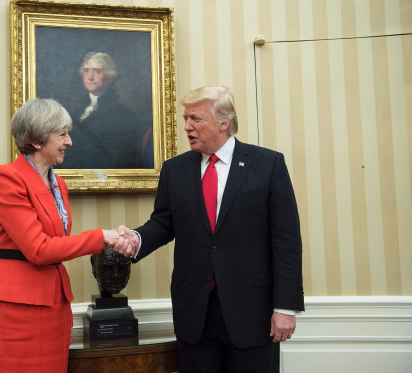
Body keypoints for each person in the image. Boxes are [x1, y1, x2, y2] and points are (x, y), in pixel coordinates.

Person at [115, 86, 304, 372]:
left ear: (224, 122)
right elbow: (164, 223)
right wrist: (137, 239)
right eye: (185, 119)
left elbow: (286, 241)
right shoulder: (174, 170)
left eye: (196, 119)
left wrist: (285, 308)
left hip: (252, 312)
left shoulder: (268, 165)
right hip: (195, 312)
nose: (187, 126)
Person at [0, 98, 131, 372]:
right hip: (16, 310)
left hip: (53, 306)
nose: (69, 142)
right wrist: (101, 237)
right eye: (62, 134)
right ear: (37, 139)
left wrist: (65, 318)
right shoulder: (6, 177)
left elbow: (58, 244)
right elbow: (39, 249)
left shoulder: (58, 183)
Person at [58, 51, 150, 169]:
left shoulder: (124, 115)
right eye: (86, 71)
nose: (90, 77)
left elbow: (123, 158)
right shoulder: (76, 111)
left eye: (97, 71)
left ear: (110, 78)